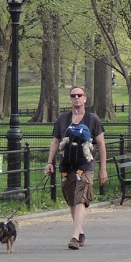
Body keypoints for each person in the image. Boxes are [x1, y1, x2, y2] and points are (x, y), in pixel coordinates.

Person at [46, 86, 106, 250]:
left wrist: (103, 169)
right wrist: (50, 162)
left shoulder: (92, 120)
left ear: (85, 98)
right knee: (72, 200)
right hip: (67, 165)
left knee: (80, 198)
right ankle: (79, 232)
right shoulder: (63, 120)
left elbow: (101, 144)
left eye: (79, 95)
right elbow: (55, 142)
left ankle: (74, 236)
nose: (76, 98)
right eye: (73, 96)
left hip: (85, 165)